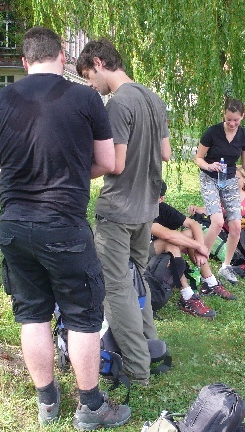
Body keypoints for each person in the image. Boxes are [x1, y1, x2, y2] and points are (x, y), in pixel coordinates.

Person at [0, 27, 130, 431]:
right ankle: (91, 406)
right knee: (82, 316)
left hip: (14, 225)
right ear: (62, 56)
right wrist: (73, 171)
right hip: (63, 225)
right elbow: (107, 162)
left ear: (25, 61)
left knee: (32, 314)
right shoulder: (86, 98)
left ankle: (47, 402)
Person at [76, 38, 171, 386]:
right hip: (146, 210)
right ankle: (152, 349)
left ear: (99, 63)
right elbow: (166, 153)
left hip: (117, 212)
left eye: (88, 76)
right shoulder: (153, 98)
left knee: (116, 290)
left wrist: (76, 169)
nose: (90, 85)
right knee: (137, 281)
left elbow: (114, 164)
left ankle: (137, 369)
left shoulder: (118, 103)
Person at [194, 98, 245, 285]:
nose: (232, 123)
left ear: (242, 116)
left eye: (236, 120)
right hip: (209, 178)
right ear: (224, 114)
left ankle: (225, 267)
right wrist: (209, 166)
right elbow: (198, 158)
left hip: (230, 179)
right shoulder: (212, 132)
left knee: (236, 226)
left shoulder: (244, 136)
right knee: (217, 222)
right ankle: (200, 266)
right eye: (229, 119)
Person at [150, 181, 236, 319]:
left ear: (161, 199)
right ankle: (187, 296)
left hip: (159, 251)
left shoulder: (162, 208)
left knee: (190, 234)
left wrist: (200, 247)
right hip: (140, 253)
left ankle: (210, 282)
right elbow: (167, 235)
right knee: (172, 244)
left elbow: (193, 224)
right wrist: (199, 246)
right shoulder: (139, 209)